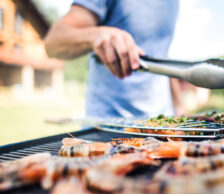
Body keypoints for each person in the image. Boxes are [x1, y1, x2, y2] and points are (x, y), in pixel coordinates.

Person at [45, 0, 184, 118]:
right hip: (108, 125)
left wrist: (179, 107)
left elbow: (161, 54)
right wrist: (97, 35)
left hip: (160, 123)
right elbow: (53, 42)